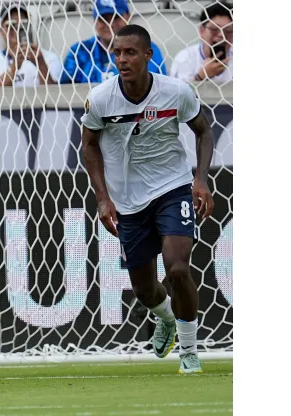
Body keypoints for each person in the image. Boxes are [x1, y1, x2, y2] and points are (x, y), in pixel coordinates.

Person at [80, 25, 215, 374]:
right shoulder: (100, 98)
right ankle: (166, 318)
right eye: (117, 53)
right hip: (127, 200)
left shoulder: (176, 92)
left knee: (178, 268)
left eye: (130, 53)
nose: (122, 59)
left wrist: (200, 180)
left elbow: (203, 131)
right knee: (144, 291)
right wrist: (103, 199)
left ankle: (189, 351)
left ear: (148, 55)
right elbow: (89, 145)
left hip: (172, 188)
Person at [61, 0, 167, 84]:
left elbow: (156, 88)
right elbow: (65, 92)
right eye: (103, 18)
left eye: (116, 17)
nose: (110, 24)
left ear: (128, 16)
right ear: (95, 21)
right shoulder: (79, 51)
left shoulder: (145, 49)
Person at [0, 2, 62, 87]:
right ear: (1, 29)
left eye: (23, 24)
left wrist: (41, 64)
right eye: (11, 25)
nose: (17, 29)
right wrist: (13, 69)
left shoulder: (48, 58)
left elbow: (56, 95)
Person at [169, 2, 233, 84]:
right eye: (214, 29)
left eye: (228, 30)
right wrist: (201, 76)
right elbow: (177, 93)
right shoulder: (185, 58)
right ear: (202, 31)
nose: (221, 35)